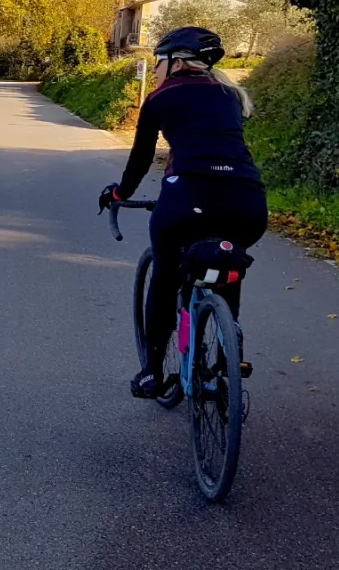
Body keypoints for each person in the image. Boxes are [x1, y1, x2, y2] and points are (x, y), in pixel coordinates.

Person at [98, 26, 268, 399]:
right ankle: (229, 350)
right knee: (228, 265)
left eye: (158, 61)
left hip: (188, 198)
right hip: (248, 202)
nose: (155, 69)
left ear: (175, 62)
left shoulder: (160, 99)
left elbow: (141, 160)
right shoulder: (230, 95)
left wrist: (118, 193)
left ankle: (154, 373)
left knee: (164, 276)